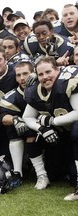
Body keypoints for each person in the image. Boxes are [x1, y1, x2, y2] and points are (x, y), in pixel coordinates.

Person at [23, 56, 78, 201]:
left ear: (58, 70)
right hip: (62, 136)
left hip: (75, 133)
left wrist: (53, 121)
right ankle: (43, 175)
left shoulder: (65, 84)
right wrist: (41, 128)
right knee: (28, 131)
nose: (45, 77)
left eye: (48, 72)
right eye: (40, 74)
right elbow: (27, 117)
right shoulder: (35, 90)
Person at [0, 60, 35, 187]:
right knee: (12, 127)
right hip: (25, 130)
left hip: (48, 129)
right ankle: (17, 172)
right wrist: (15, 119)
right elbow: (3, 117)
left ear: (34, 73)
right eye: (18, 75)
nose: (22, 78)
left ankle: (41, 171)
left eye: (25, 74)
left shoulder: (44, 88)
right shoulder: (12, 95)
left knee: (55, 172)